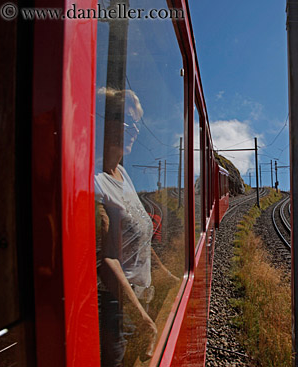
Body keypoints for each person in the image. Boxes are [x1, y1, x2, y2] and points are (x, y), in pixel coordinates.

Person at [95, 88, 171, 366]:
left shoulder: (123, 173)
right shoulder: (97, 183)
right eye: (130, 123)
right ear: (106, 122)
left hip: (138, 301)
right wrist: (143, 319)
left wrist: (167, 275)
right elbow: (106, 260)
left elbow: (139, 234)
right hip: (117, 310)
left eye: (137, 124)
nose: (136, 131)